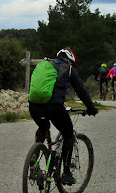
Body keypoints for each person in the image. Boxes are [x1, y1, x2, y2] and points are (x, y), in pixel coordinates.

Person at [28, 47, 99, 185]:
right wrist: (91, 108)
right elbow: (81, 90)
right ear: (71, 59)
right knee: (67, 134)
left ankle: (35, 155)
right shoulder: (68, 68)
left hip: (34, 105)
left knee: (43, 127)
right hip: (53, 106)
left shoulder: (46, 65)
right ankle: (66, 173)